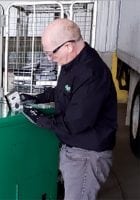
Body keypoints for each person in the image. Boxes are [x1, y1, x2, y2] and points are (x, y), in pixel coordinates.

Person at [21, 18, 117, 200]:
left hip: (86, 155)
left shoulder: (91, 72)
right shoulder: (73, 63)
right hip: (74, 148)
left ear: (68, 46)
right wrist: (36, 98)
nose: (50, 58)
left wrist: (41, 119)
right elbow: (64, 90)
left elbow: (76, 123)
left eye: (51, 53)